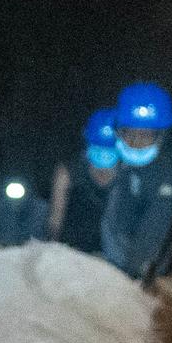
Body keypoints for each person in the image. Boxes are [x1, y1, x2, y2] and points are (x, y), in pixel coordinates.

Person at [101, 82, 172, 283]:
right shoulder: (124, 160)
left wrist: (129, 277)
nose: (135, 143)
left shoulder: (170, 176)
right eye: (129, 133)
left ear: (163, 135)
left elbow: (154, 234)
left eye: (145, 135)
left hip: (148, 263)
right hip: (116, 248)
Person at [46, 107, 117, 254]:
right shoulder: (68, 172)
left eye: (109, 148)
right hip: (72, 251)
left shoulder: (130, 176)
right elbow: (56, 217)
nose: (103, 154)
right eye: (98, 146)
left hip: (112, 256)